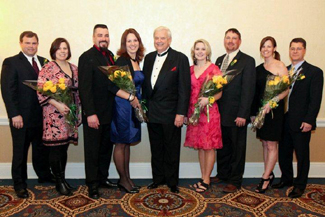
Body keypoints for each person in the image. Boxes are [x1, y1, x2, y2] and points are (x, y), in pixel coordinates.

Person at [78, 24, 139, 199]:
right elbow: (85, 89)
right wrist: (90, 113)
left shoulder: (111, 57)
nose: (103, 38)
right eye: (100, 35)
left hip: (110, 113)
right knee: (92, 150)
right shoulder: (86, 57)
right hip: (94, 114)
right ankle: (92, 184)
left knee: (105, 149)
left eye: (106, 35)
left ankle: (102, 178)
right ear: (93, 37)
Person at [1, 31, 53, 198]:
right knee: (20, 152)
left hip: (41, 116)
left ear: (38, 44)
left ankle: (43, 175)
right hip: (21, 118)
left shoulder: (45, 62)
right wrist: (14, 114)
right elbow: (8, 91)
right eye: (27, 43)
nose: (31, 46)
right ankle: (19, 184)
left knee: (41, 150)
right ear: (21, 44)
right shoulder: (11, 62)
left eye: (34, 43)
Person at [272, 38, 323, 198]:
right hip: (284, 120)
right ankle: (286, 179)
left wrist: (309, 120)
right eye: (292, 48)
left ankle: (300, 185)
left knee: (301, 154)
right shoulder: (284, 70)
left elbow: (315, 99)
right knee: (284, 153)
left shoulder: (314, 72)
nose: (295, 51)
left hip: (301, 121)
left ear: (304, 51)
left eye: (298, 49)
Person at [142, 26, 191, 193]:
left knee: (171, 148)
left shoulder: (180, 58)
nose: (159, 41)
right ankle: (157, 178)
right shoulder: (148, 58)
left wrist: (181, 113)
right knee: (156, 148)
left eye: (162, 38)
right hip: (152, 112)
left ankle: (172, 181)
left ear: (169, 40)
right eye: (156, 38)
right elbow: (145, 87)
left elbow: (184, 89)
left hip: (171, 113)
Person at [211, 28, 256, 193]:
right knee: (222, 145)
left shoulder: (247, 61)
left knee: (237, 148)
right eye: (228, 38)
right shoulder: (219, 60)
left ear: (239, 41)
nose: (230, 41)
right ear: (224, 40)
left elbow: (248, 89)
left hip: (237, 114)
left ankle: (235, 180)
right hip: (219, 112)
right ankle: (223, 174)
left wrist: (243, 114)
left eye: (234, 38)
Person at [37, 38, 81, 196]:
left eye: (65, 48)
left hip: (69, 114)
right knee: (56, 149)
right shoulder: (47, 68)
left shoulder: (74, 68)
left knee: (64, 148)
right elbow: (41, 90)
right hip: (53, 115)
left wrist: (78, 112)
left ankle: (62, 179)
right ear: (53, 50)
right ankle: (59, 182)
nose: (63, 51)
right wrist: (58, 105)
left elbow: (77, 92)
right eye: (59, 48)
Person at [250, 36, 288, 193]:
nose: (265, 49)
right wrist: (254, 113)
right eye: (263, 46)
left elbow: (285, 90)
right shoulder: (258, 68)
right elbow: (255, 92)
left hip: (274, 112)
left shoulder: (280, 66)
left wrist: (271, 104)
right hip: (261, 112)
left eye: (268, 46)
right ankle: (269, 173)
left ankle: (265, 178)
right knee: (265, 143)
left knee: (272, 144)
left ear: (274, 48)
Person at [184, 39, 223, 193]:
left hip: (209, 113)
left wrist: (209, 99)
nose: (200, 51)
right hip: (194, 113)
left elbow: (219, 92)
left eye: (203, 49)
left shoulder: (214, 69)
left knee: (209, 146)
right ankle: (202, 177)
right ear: (194, 51)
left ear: (207, 52)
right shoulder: (190, 70)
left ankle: (207, 179)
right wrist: (187, 113)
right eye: (197, 49)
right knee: (200, 145)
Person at [110, 28, 145, 194]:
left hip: (133, 106)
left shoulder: (136, 60)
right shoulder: (122, 60)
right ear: (124, 44)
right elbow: (113, 86)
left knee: (127, 142)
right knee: (121, 142)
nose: (132, 43)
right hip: (122, 106)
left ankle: (127, 178)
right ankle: (123, 180)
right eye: (129, 41)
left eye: (135, 40)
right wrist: (130, 99)